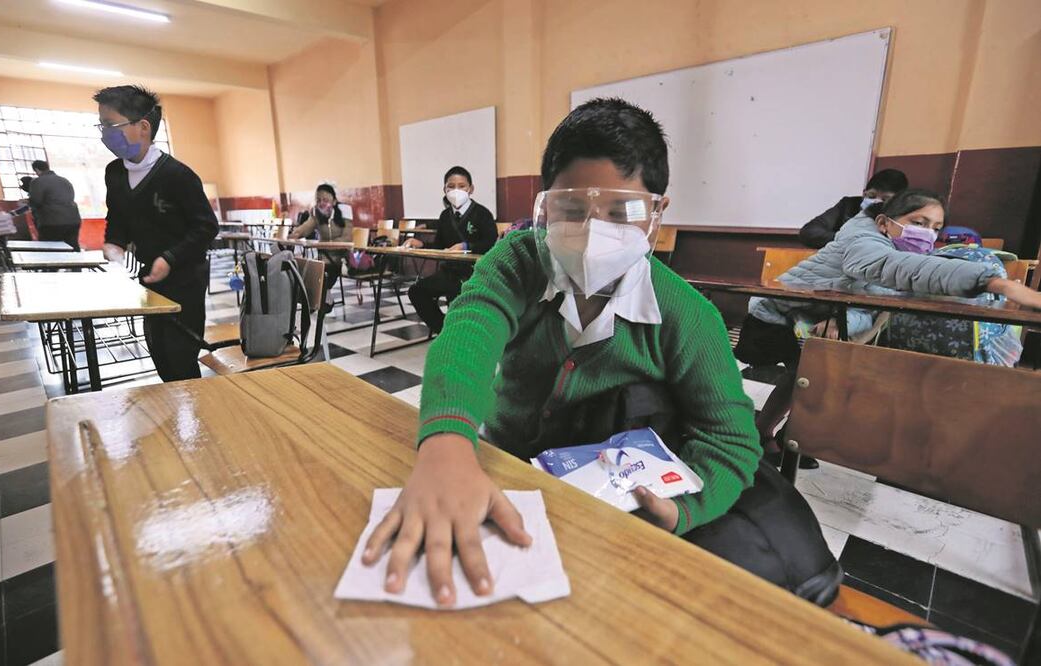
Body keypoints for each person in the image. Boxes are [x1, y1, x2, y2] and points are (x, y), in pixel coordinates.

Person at [363, 99, 763, 607]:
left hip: (609, 511)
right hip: (503, 471)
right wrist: (447, 443)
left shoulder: (687, 316)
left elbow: (731, 440)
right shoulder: (519, 262)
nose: (593, 231)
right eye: (572, 210)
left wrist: (684, 509)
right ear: (545, 205)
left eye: (622, 213)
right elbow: (468, 334)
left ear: (656, 212)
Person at [735, 188, 1041, 462]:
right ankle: (754, 435)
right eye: (918, 223)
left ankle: (769, 434)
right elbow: (882, 270)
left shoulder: (900, 248)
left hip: (817, 318)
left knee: (805, 378)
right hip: (777, 315)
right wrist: (991, 282)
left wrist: (845, 320)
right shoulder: (862, 240)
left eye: (936, 228)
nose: (928, 234)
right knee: (804, 378)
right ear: (884, 222)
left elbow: (870, 301)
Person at [96, 84, 218, 382]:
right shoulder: (114, 173)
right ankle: (177, 418)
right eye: (101, 125)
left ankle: (195, 421)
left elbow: (206, 226)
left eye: (111, 125)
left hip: (184, 280)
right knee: (159, 352)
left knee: (181, 358)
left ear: (143, 127)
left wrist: (170, 258)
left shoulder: (177, 175)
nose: (104, 133)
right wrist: (113, 245)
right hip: (148, 280)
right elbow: (118, 219)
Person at [405, 166, 497, 334]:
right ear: (444, 189)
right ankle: (445, 331)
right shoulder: (445, 216)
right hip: (450, 273)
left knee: (457, 297)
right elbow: (441, 246)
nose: (456, 190)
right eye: (451, 186)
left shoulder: (482, 214)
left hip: (474, 274)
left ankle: (460, 333)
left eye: (462, 186)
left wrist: (467, 246)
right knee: (416, 292)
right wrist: (422, 245)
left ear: (471, 189)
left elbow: (491, 243)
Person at [799, 168, 908, 249]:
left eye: (885, 199)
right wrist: (852, 239)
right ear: (864, 193)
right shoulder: (849, 205)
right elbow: (810, 231)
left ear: (897, 201)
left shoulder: (902, 217)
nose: (876, 202)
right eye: (871, 196)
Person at [289, 183, 351, 311]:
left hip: (341, 259)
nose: (321, 203)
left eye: (325, 200)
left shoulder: (344, 215)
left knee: (322, 272)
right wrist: (293, 235)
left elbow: (347, 238)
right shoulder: (317, 215)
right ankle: (322, 299)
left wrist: (329, 245)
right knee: (306, 268)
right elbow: (305, 228)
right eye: (318, 200)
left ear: (334, 201)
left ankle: (324, 299)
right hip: (323, 258)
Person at [27, 160, 83, 250]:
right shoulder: (64, 180)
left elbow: (36, 201)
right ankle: (78, 264)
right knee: (72, 247)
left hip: (52, 221)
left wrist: (27, 202)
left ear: (36, 170)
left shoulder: (38, 182)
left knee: (52, 251)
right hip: (73, 220)